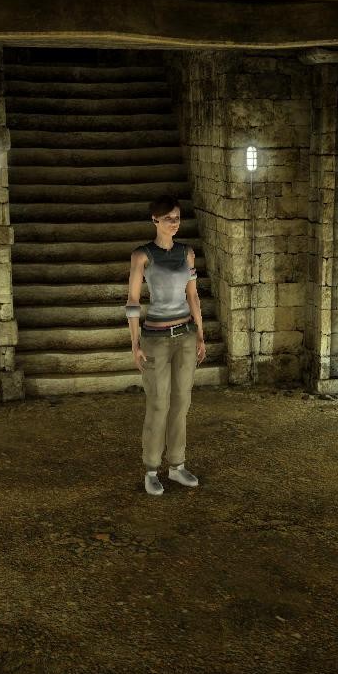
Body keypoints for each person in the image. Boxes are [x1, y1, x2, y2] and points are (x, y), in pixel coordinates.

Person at [126, 195, 207, 496]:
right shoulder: (142, 256)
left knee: (181, 402)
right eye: (168, 218)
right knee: (158, 404)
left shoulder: (187, 253)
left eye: (177, 218)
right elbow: (133, 301)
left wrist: (200, 333)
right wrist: (134, 342)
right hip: (156, 339)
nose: (174, 223)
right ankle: (151, 469)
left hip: (185, 335)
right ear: (155, 220)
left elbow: (193, 295)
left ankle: (177, 465)